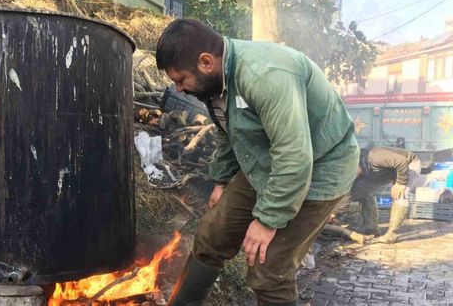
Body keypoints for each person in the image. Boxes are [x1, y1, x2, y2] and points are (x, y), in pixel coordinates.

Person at [155, 19, 360, 306]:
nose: (177, 90)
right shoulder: (217, 81)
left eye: (180, 80)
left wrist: (267, 219)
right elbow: (230, 132)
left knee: (269, 269)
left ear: (205, 62)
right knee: (210, 237)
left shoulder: (265, 75)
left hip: (322, 166)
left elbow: (294, 156)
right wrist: (222, 180)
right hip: (268, 160)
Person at [351, 146, 420, 243]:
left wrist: (400, 183)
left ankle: (391, 235)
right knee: (364, 190)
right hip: (389, 170)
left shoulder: (374, 157)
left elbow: (401, 161)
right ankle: (371, 228)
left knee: (402, 194)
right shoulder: (360, 166)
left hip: (409, 164)